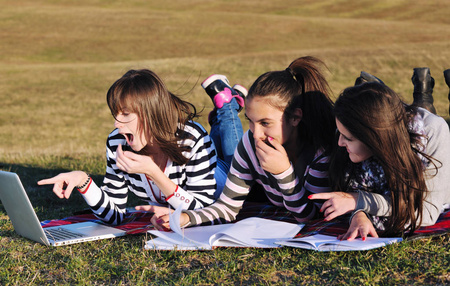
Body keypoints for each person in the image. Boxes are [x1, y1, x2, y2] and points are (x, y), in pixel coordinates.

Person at [148, 56, 337, 230]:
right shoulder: (249, 143)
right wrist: (186, 218)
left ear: (295, 117)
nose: (255, 134)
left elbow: (311, 217)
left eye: (265, 123)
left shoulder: (319, 152)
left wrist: (283, 173)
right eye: (250, 121)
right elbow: (227, 207)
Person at [38, 69, 246, 225]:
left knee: (232, 156)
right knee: (218, 140)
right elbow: (115, 216)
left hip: (221, 180)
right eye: (115, 114)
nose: (116, 124)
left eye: (126, 114)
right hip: (194, 175)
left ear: (151, 113)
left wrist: (154, 173)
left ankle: (228, 105)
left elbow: (201, 209)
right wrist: (83, 181)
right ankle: (227, 105)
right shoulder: (118, 142)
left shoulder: (192, 138)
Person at [310, 81, 450, 240]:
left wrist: (358, 201)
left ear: (373, 139)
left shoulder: (432, 132)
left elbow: (426, 212)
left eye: (348, 138)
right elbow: (352, 192)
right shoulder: (353, 136)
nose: (340, 143)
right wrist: (359, 215)